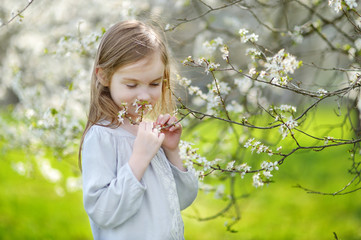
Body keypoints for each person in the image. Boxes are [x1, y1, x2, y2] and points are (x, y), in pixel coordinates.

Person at [79, 20, 198, 240]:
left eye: (154, 84)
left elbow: (182, 200)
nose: (144, 96)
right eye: (131, 85)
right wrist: (139, 159)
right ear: (103, 76)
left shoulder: (149, 132)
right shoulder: (103, 136)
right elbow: (102, 211)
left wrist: (172, 152)